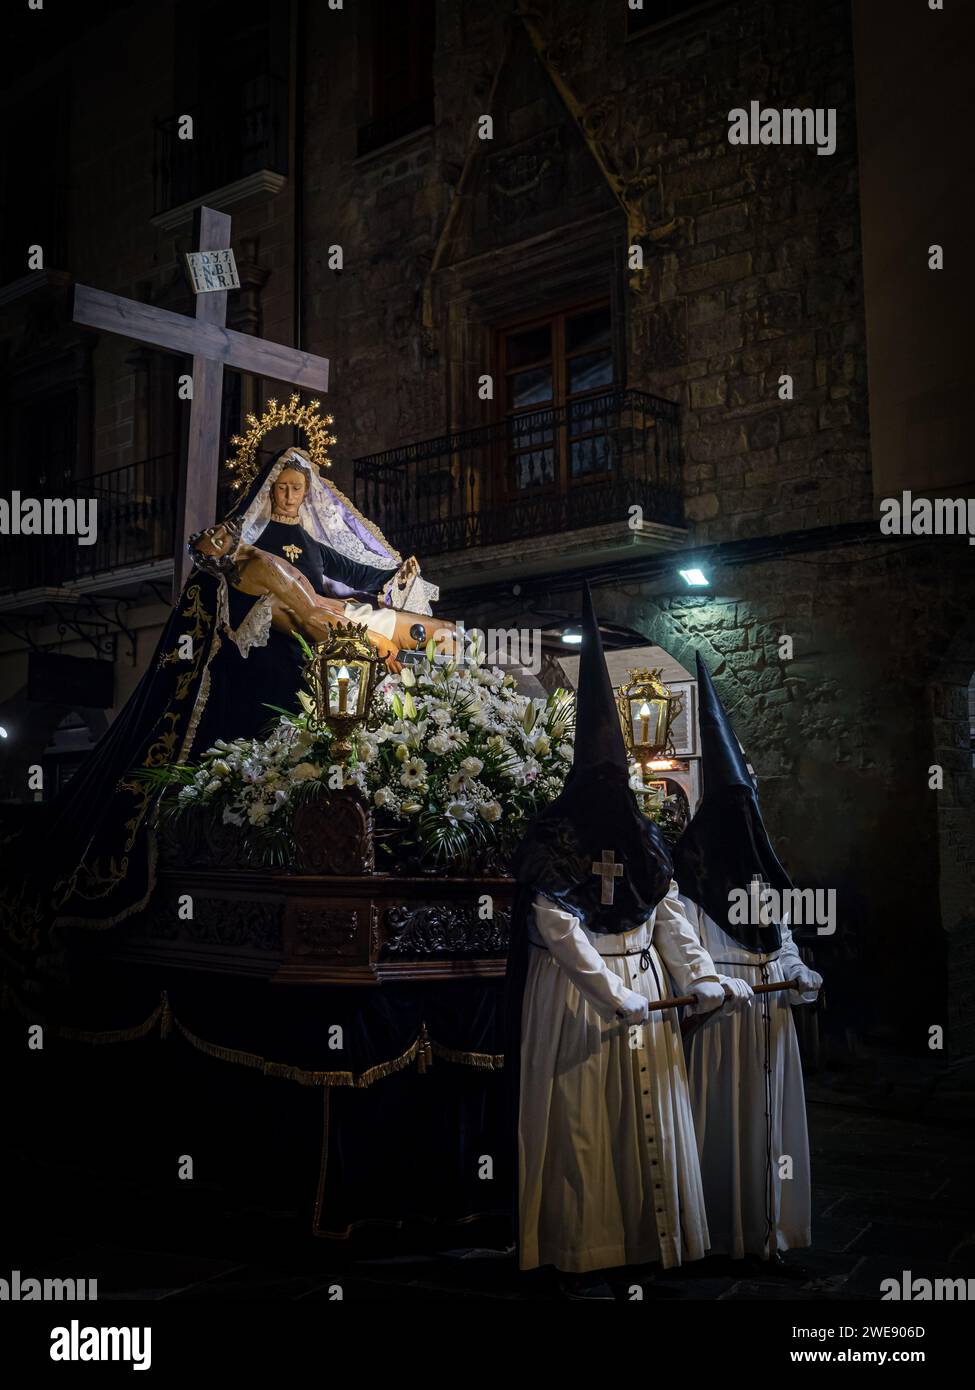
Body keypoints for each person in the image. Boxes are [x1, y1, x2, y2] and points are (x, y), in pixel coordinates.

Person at [504, 587, 750, 1300]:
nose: (615, 784)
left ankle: (651, 1235)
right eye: (604, 771)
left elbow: (668, 909)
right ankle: (584, 1243)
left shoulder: (642, 838)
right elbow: (555, 924)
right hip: (579, 1003)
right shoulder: (555, 836)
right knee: (582, 1128)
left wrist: (698, 976)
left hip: (642, 990)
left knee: (647, 1125)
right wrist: (613, 996)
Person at [674, 654, 823, 1269]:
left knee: (770, 1124)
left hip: (770, 1016)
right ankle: (720, 1229)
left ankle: (771, 1229)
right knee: (726, 1123)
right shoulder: (691, 877)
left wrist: (796, 973)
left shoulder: (760, 875)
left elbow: (780, 937)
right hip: (724, 1019)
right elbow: (683, 943)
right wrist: (711, 981)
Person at [188, 518, 458, 675]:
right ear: (219, 558)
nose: (216, 532)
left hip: (343, 618)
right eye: (214, 542)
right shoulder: (260, 566)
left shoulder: (252, 564)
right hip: (346, 627)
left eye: (211, 533)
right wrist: (373, 641)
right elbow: (311, 617)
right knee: (447, 633)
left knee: (445, 641)